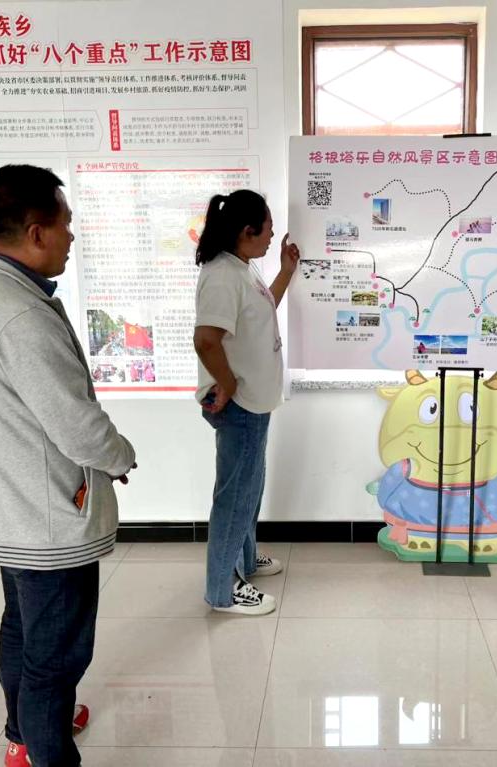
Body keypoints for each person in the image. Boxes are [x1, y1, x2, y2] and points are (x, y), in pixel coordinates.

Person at [0, 164, 137, 767]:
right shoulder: (21, 314)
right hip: (44, 517)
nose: (71, 237)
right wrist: (121, 456)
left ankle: (23, 732)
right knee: (54, 659)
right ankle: (42, 745)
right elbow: (76, 422)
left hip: (10, 504)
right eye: (66, 225)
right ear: (35, 232)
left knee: (23, 630)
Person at [193, 189, 299, 615]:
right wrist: (227, 383)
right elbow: (206, 339)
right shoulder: (222, 274)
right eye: (268, 229)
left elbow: (262, 309)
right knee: (235, 497)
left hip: (254, 402)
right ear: (247, 230)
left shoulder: (241, 268)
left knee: (249, 489)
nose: (272, 236)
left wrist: (286, 272)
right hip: (239, 406)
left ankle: (246, 560)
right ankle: (222, 590)